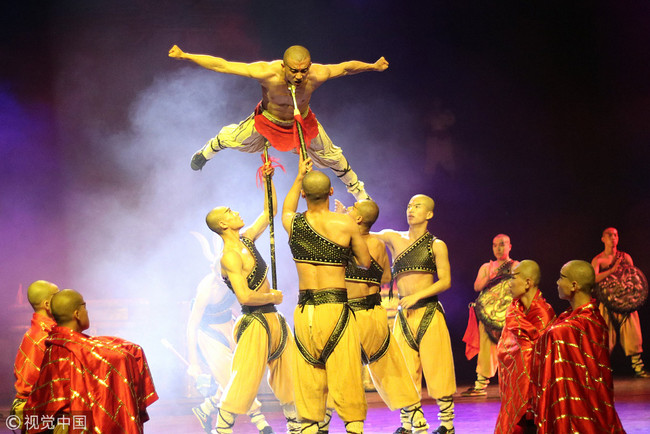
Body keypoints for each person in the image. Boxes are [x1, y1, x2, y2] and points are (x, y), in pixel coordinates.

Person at [168, 44, 389, 201]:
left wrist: (372, 66)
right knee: (231, 138)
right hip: (268, 120)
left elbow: (347, 67)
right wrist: (185, 55)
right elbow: (222, 65)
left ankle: (359, 192)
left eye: (304, 70)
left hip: (300, 121)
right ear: (284, 66)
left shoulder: (317, 74)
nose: (300, 76)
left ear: (310, 66)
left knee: (333, 156)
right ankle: (206, 152)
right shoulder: (267, 72)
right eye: (294, 71)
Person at [205, 163, 298, 434]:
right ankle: (221, 430)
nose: (235, 212)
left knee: (288, 375)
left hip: (273, 318)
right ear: (223, 224)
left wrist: (269, 181)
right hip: (254, 321)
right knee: (244, 379)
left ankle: (295, 426)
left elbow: (269, 213)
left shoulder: (246, 240)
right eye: (229, 212)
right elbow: (245, 296)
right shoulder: (229, 257)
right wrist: (271, 295)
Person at [281, 156, 371, 434]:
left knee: (309, 374)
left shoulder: (292, 223)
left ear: (305, 194)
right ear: (331, 192)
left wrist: (299, 177)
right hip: (335, 308)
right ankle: (353, 426)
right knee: (345, 372)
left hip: (305, 310)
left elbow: (286, 208)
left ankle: (309, 425)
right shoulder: (346, 224)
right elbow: (365, 262)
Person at [339, 199, 429, 434]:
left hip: (355, 314)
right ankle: (417, 418)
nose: (348, 210)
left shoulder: (350, 242)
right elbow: (387, 277)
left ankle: (343, 425)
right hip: (375, 312)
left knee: (343, 369)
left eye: (352, 210)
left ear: (358, 219)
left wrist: (338, 221)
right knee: (391, 367)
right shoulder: (378, 244)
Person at [373, 194, 456, 434]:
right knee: (405, 370)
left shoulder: (436, 245)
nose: (411, 209)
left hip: (428, 311)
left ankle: (447, 424)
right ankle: (410, 423)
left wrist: (418, 296)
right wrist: (350, 216)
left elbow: (446, 281)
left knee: (438, 368)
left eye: (417, 206)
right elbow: (366, 233)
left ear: (429, 214)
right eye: (409, 205)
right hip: (404, 315)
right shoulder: (393, 237)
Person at [24, 289, 158, 433]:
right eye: (84, 307)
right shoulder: (78, 349)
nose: (86, 312)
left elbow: (42, 399)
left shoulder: (53, 345)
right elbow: (122, 357)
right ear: (76, 314)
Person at [186, 233, 274, 434]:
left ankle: (206, 408)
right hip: (209, 334)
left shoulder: (234, 279)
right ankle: (261, 423)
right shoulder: (206, 289)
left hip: (230, 327)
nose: (224, 278)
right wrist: (194, 362)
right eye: (221, 274)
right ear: (213, 269)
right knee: (233, 381)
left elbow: (244, 302)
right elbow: (192, 325)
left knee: (239, 375)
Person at [531, 260, 625, 433]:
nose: (557, 282)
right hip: (599, 408)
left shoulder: (564, 330)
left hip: (575, 413)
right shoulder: (592, 319)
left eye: (561, 277)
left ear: (574, 285)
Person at [495, 260, 555, 434]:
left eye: (513, 277)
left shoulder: (543, 313)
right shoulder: (514, 310)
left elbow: (541, 359)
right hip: (517, 391)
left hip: (537, 395)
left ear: (528, 283)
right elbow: (508, 349)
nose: (509, 283)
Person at [462, 234, 519, 397]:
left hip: (508, 314)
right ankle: (480, 384)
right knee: (486, 350)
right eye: (495, 245)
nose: (498, 248)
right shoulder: (486, 267)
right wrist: (489, 276)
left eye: (502, 244)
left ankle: (514, 383)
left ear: (509, 246)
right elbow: (477, 287)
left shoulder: (516, 266)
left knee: (511, 348)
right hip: (488, 315)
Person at [591, 227, 649, 378]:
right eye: (609, 235)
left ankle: (638, 368)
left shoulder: (625, 257)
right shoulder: (599, 260)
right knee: (605, 338)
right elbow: (593, 279)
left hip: (626, 303)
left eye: (615, 235)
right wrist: (612, 271)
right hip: (607, 303)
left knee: (633, 336)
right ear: (603, 238)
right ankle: (601, 371)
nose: (613, 238)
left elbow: (634, 278)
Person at [11, 280, 60, 429]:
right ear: (47, 304)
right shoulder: (46, 337)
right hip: (38, 409)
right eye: (58, 296)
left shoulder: (33, 333)